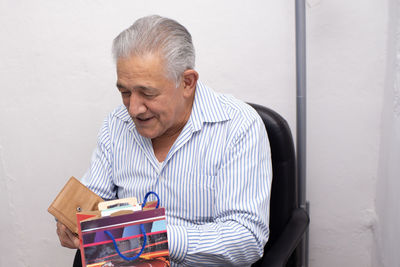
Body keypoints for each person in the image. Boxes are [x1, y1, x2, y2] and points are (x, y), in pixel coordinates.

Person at [56, 15, 272, 266]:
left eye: (147, 93)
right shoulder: (117, 123)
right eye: (125, 92)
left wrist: (155, 237)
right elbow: (91, 200)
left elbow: (246, 240)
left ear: (187, 83)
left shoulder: (239, 126)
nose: (134, 109)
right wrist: (71, 220)